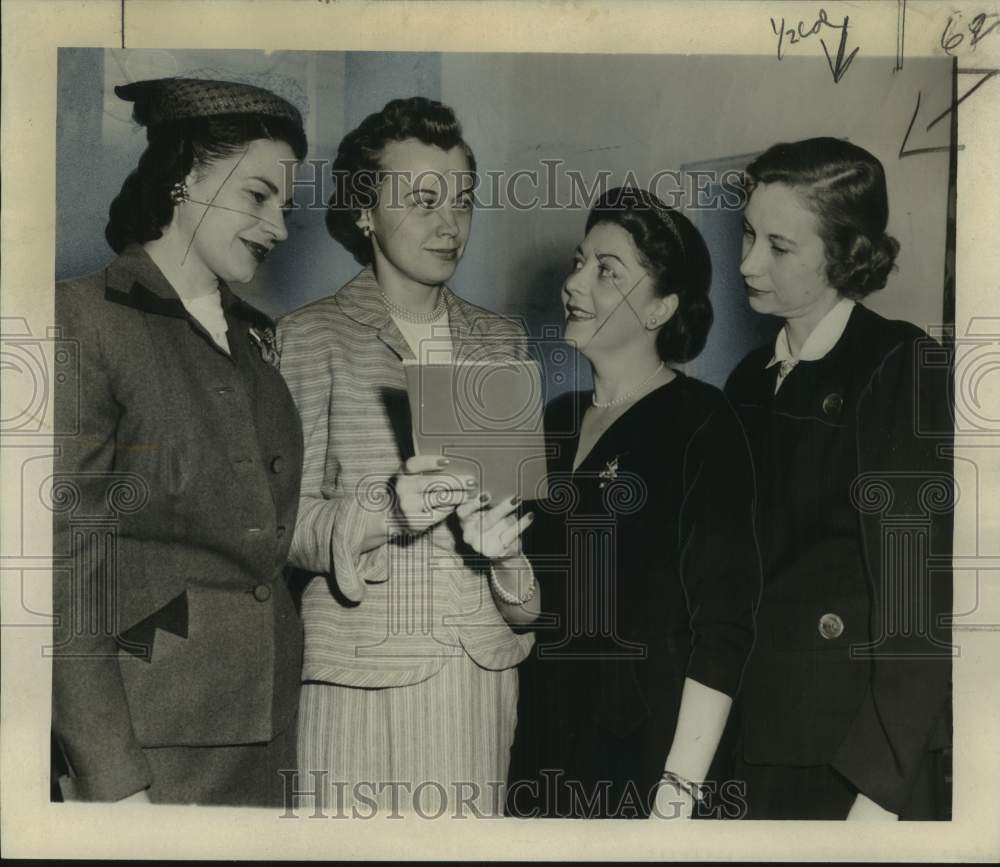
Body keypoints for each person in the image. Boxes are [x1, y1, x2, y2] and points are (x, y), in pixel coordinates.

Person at [51, 76, 308, 805]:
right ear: (185, 178)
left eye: (283, 205)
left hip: (270, 736)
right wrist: (109, 774)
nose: (278, 227)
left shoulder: (256, 339)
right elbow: (63, 570)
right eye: (257, 196)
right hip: (152, 748)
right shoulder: (85, 319)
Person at [276, 96, 534, 816]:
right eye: (422, 200)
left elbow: (510, 536)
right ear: (364, 212)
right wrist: (385, 509)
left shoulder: (499, 342)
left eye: (461, 201)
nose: (448, 224)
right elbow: (279, 522)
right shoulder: (309, 336)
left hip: (478, 677)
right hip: (358, 671)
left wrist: (506, 556)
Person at [469, 186, 761, 819]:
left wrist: (678, 792)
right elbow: (530, 617)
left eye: (607, 271)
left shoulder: (703, 423)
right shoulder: (549, 421)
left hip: (653, 758)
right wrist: (502, 558)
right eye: (579, 262)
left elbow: (726, 627)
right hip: (547, 745)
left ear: (660, 308)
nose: (576, 283)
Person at [724, 137, 953, 820]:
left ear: (845, 252)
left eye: (779, 246)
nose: (747, 262)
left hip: (850, 758)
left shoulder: (898, 364)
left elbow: (917, 599)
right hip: (757, 741)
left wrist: (879, 786)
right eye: (746, 234)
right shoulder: (747, 383)